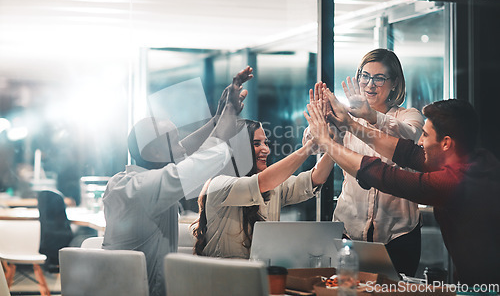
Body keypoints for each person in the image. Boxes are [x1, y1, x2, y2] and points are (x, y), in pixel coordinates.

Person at [305, 93, 500, 285]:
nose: (420, 142)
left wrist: (327, 143)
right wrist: (351, 124)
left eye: (425, 135)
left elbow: (387, 177)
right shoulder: (475, 160)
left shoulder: (455, 182)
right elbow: (407, 152)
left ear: (446, 143)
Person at [102, 66, 253, 296]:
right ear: (153, 154)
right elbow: (204, 160)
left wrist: (217, 118)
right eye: (174, 140)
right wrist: (231, 111)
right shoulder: (145, 188)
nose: (181, 145)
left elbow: (183, 153)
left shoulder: (125, 181)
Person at [306, 49, 424, 276]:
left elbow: (409, 138)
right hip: (349, 231)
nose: (370, 85)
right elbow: (314, 147)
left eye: (379, 78)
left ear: (394, 83)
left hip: (399, 235)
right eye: (365, 76)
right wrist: (323, 120)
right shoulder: (345, 117)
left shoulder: (408, 115)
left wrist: (371, 116)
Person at [192, 117, 335, 259]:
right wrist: (310, 146)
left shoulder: (273, 185)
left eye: (265, 143)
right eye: (256, 144)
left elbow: (315, 178)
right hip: (224, 276)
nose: (266, 149)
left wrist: (335, 144)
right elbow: (262, 182)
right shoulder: (219, 184)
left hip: (260, 275)